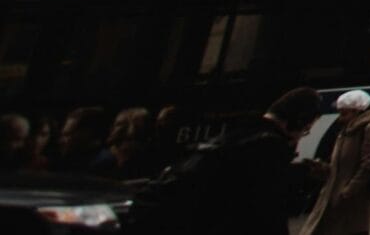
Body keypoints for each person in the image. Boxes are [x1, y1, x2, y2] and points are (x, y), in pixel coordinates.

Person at [137, 86, 324, 235]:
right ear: (298, 121)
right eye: (306, 129)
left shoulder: (235, 134)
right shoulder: (269, 147)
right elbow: (266, 213)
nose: (301, 137)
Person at [298, 89, 370, 235]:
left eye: (344, 113)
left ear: (357, 111)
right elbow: (341, 164)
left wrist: (349, 191)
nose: (340, 118)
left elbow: (369, 163)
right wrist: (322, 168)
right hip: (333, 195)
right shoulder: (347, 129)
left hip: (350, 199)